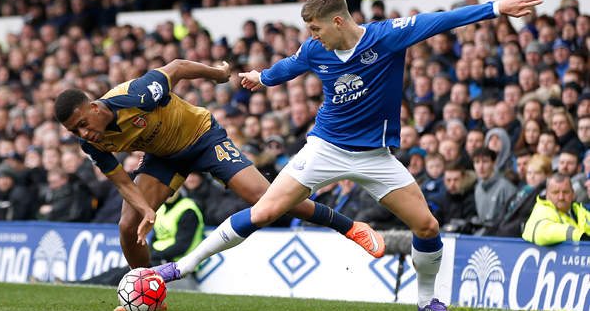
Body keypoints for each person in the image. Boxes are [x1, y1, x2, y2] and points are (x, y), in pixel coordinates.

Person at [152, 0, 542, 311]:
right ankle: (179, 267)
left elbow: (442, 20)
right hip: (324, 149)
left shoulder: (386, 37)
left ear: (337, 22)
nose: (313, 37)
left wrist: (496, 8)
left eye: (316, 28)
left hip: (375, 157)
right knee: (265, 212)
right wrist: (261, 76)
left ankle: (427, 302)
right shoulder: (314, 49)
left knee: (427, 228)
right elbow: (290, 65)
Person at [54, 58, 381, 272]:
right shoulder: (91, 143)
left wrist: (219, 74)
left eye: (83, 123)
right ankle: (144, 285)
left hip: (203, 138)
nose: (83, 133)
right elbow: (124, 183)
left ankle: (350, 227)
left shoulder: (138, 95)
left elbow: (178, 67)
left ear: (95, 107)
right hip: (163, 157)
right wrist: (147, 210)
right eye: (75, 131)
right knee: (128, 225)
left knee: (266, 199)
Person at [491, 154, 551, 237]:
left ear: (547, 175)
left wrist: (506, 229)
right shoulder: (522, 191)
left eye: (537, 173)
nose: (532, 177)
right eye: (529, 173)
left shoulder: (545, 195)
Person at [522, 173, 590, 245]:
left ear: (573, 194)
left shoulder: (581, 211)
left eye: (565, 192)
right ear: (547, 195)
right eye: (556, 192)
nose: (561, 197)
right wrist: (579, 236)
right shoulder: (541, 210)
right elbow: (542, 232)